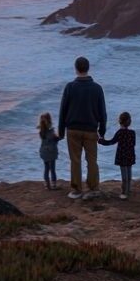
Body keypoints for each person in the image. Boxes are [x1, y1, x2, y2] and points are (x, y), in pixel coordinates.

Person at [57, 56, 106, 200]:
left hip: (73, 130)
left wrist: (61, 131)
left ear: (76, 69)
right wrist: (102, 131)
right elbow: (102, 112)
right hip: (91, 130)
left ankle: (76, 190)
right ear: (88, 68)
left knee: (75, 160)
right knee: (92, 161)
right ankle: (93, 188)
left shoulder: (70, 87)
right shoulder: (97, 88)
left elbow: (63, 110)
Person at [99, 111, 136, 200]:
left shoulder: (120, 132)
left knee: (124, 176)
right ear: (129, 122)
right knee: (129, 174)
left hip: (122, 156)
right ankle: (128, 190)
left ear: (120, 121)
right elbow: (133, 144)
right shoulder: (132, 133)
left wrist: (101, 140)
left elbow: (111, 142)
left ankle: (124, 193)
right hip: (130, 155)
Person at [38, 112, 59, 190]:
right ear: (50, 120)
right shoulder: (51, 131)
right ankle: (53, 184)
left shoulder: (41, 131)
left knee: (46, 168)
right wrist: (58, 137)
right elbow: (55, 139)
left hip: (43, 151)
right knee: (52, 168)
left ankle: (47, 184)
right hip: (51, 151)